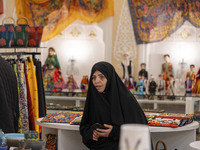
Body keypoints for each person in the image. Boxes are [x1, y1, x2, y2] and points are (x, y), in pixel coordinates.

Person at [80, 62, 148, 150]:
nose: (96, 81)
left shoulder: (126, 99)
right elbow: (84, 126)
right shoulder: (94, 98)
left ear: (110, 77)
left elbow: (139, 128)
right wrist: (91, 133)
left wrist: (114, 133)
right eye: (93, 77)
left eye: (101, 77)